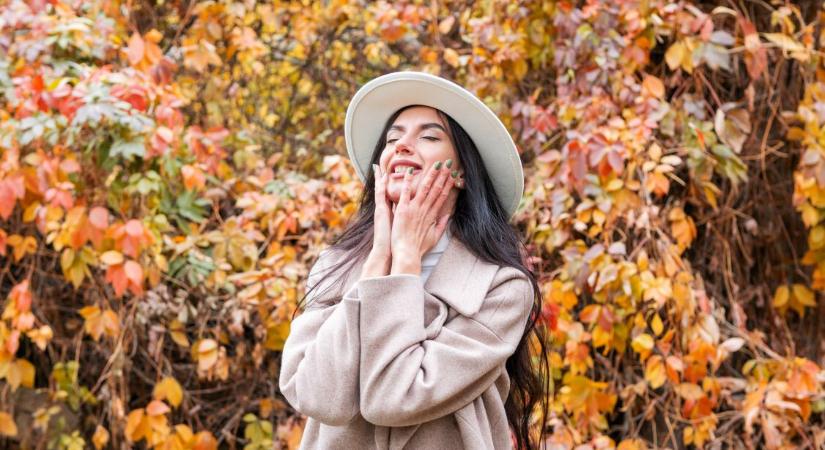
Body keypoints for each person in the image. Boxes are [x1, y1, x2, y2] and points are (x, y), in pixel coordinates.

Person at [279, 71, 548, 449]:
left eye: (429, 136)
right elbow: (318, 397)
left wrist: (405, 261)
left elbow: (393, 399)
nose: (402, 146)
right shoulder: (334, 266)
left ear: (463, 173)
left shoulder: (500, 287)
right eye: (393, 138)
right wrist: (377, 265)